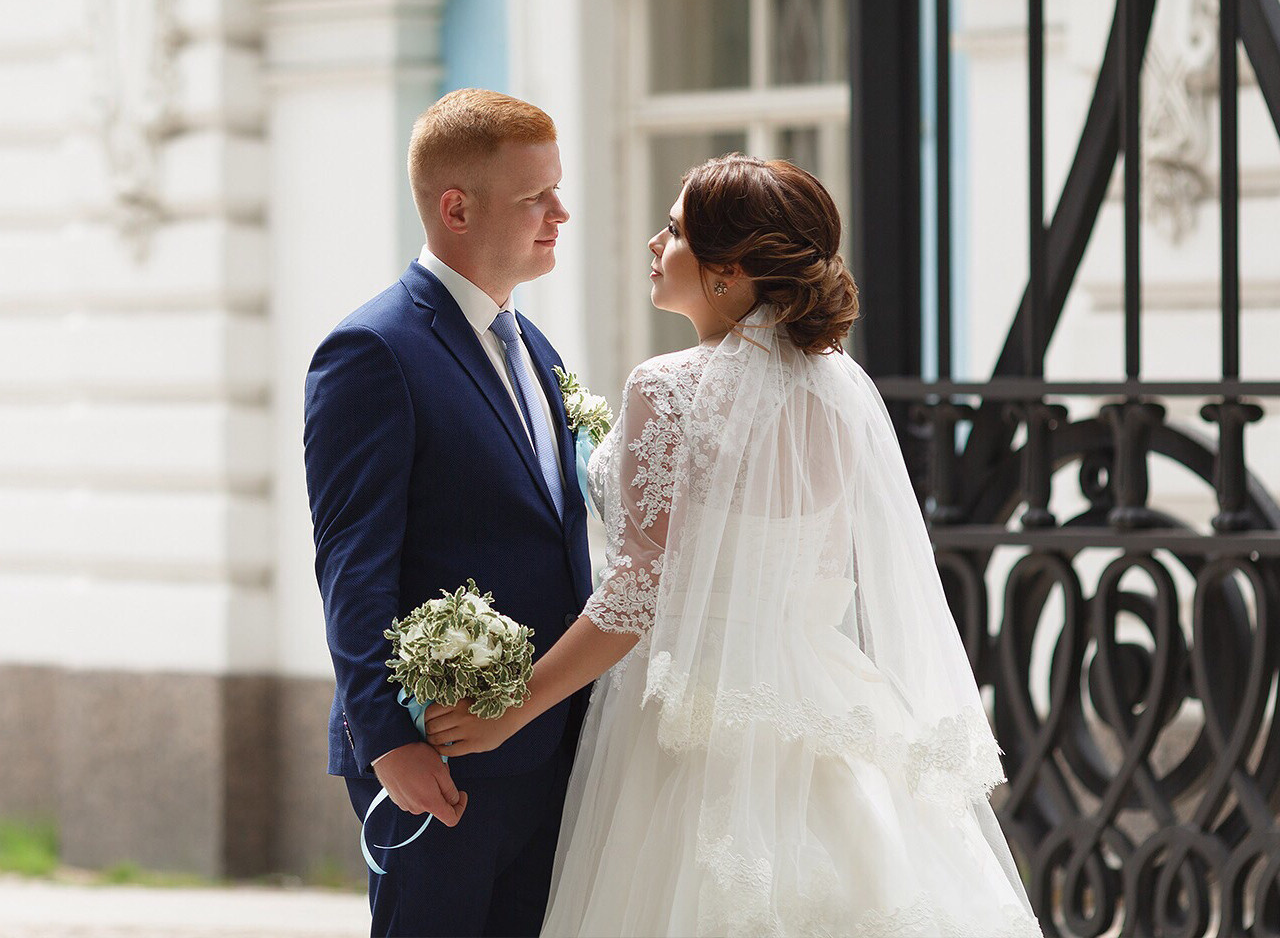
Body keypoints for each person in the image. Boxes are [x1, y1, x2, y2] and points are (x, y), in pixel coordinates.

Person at [425, 153, 1043, 937]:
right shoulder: (838, 391)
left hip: (687, 712)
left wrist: (511, 709)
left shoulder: (668, 388)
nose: (656, 241)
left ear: (730, 271)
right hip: (819, 690)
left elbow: (637, 595)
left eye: (677, 229)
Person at [303, 89, 593, 938]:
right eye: (535, 196)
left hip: (548, 747)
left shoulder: (532, 344)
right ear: (456, 207)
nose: (560, 214)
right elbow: (352, 566)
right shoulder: (372, 352)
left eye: (558, 190)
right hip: (437, 758)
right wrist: (389, 743)